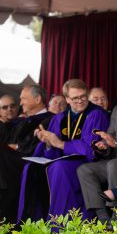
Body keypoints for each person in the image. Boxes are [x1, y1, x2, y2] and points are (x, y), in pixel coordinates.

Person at [17, 79, 109, 221]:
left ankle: (63, 223)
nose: (80, 101)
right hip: (62, 162)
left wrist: (60, 144)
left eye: (83, 96)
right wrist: (48, 144)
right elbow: (51, 153)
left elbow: (91, 149)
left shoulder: (96, 114)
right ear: (67, 99)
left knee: (59, 167)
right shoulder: (59, 119)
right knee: (31, 168)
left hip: (87, 162)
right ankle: (32, 220)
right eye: (75, 98)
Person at [0, 86, 53, 223]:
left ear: (37, 99)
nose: (21, 103)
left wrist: (17, 146)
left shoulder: (49, 120)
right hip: (12, 159)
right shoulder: (22, 121)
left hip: (31, 162)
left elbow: (38, 146)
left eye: (23, 98)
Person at [77, 101, 117, 224]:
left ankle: (116, 217)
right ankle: (103, 218)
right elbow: (110, 135)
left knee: (114, 165)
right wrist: (104, 144)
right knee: (84, 170)